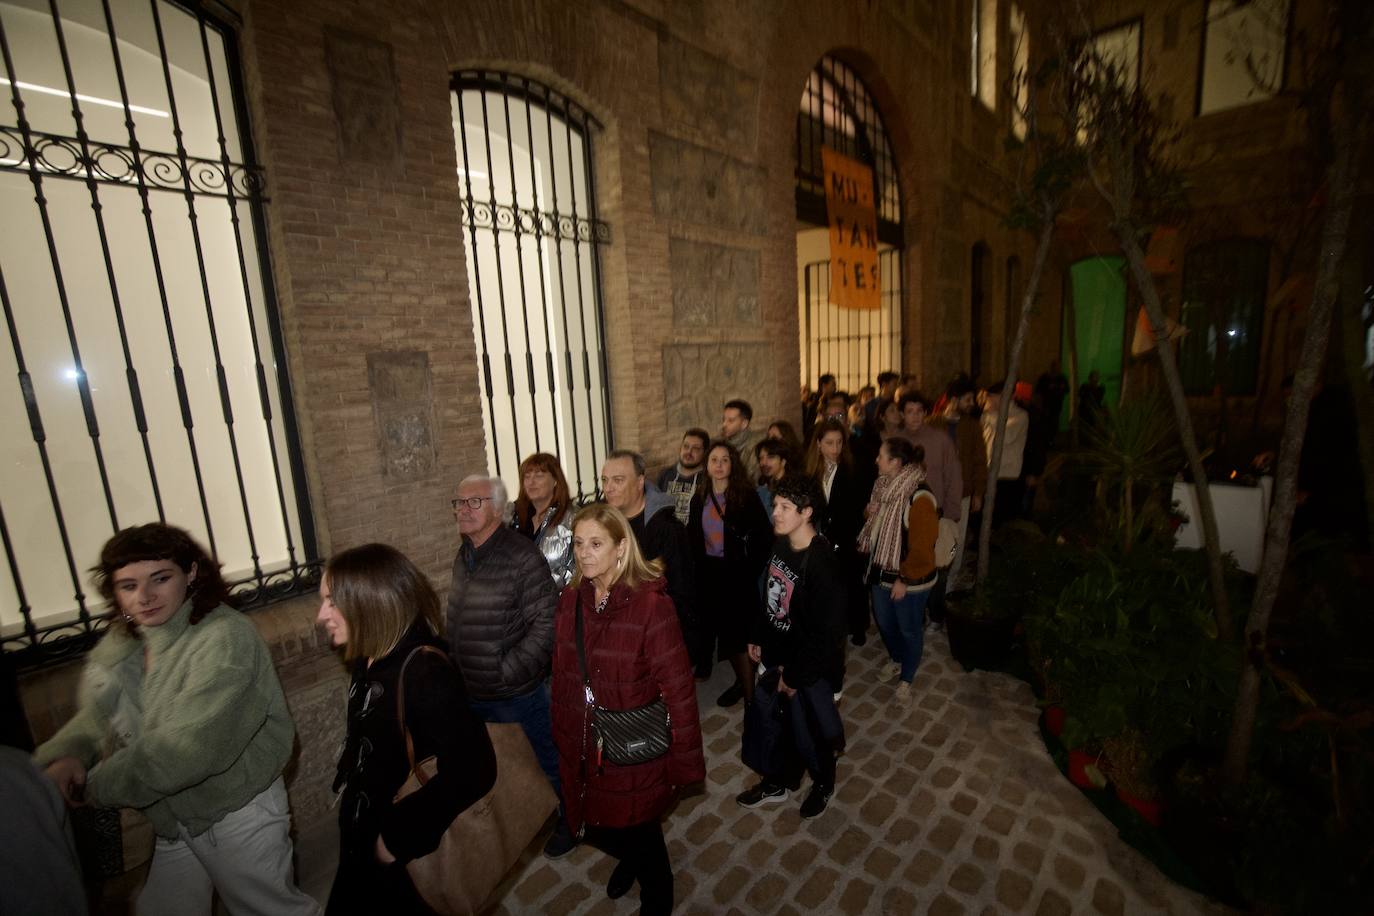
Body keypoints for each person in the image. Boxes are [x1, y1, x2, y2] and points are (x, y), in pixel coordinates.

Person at [33, 523, 318, 916]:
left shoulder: (224, 639)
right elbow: (99, 714)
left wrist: (92, 788)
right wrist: (71, 756)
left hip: (234, 811)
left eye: (160, 579)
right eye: (128, 586)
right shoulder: (129, 639)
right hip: (175, 814)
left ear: (192, 573)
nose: (144, 597)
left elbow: (184, 752)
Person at [319, 543, 496, 914]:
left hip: (400, 855)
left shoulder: (424, 672)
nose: (322, 615)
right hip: (361, 839)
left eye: (333, 602)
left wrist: (394, 839)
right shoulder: (368, 655)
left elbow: (475, 770)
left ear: (370, 602)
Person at [550, 504, 704, 916]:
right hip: (585, 739)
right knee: (596, 822)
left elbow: (678, 688)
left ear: (621, 547)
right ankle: (632, 859)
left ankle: (657, 888)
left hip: (633, 745)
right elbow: (563, 671)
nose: (584, 553)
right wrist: (562, 731)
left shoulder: (651, 606)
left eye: (596, 543)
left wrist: (684, 762)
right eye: (578, 543)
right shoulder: (570, 599)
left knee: (638, 824)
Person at [445, 474, 568, 857]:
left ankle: (572, 818)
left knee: (546, 760)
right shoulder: (464, 555)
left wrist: (509, 671)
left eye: (474, 502)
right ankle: (528, 817)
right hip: (473, 690)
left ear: (497, 509)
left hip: (515, 693)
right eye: (458, 503)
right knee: (505, 768)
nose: (463, 510)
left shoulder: (521, 556)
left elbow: (547, 624)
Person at [736, 474, 847, 818]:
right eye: (775, 505)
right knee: (775, 727)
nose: (776, 513)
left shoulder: (823, 564)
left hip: (805, 671)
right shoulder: (782, 544)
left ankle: (824, 784)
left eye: (785, 507)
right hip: (776, 656)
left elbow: (826, 637)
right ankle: (778, 781)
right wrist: (757, 635)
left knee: (811, 734)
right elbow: (769, 595)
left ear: (807, 512)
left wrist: (795, 676)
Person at [688, 440, 773, 708]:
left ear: (732, 464)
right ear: (707, 465)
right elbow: (693, 539)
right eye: (714, 460)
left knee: (740, 636)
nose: (720, 465)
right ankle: (742, 683)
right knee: (727, 635)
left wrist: (750, 569)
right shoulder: (699, 498)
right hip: (711, 576)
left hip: (739, 575)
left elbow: (764, 537)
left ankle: (751, 700)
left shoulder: (745, 496)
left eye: (725, 460)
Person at [602, 450, 701, 675]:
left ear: (639, 482)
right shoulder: (604, 524)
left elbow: (680, 594)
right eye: (605, 480)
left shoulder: (667, 530)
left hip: (656, 639)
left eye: (618, 480)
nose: (608, 488)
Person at [858, 438, 939, 702]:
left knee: (909, 628)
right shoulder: (882, 486)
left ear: (896, 463)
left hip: (909, 578)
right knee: (884, 621)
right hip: (881, 571)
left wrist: (904, 579)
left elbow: (923, 547)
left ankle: (907, 675)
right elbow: (876, 525)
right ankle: (896, 658)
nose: (876, 460)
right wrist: (868, 513)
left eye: (881, 456)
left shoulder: (919, 497)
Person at [895, 391, 963, 623]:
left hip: (936, 513)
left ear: (926, 413)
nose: (914, 416)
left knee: (938, 565)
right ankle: (915, 614)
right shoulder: (895, 442)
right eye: (909, 412)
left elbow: (953, 475)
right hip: (904, 519)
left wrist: (953, 513)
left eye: (919, 411)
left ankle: (935, 614)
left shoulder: (941, 439)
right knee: (910, 564)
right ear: (902, 414)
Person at [805, 418, 869, 646]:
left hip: (847, 536)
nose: (835, 449)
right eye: (830, 443)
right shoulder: (811, 471)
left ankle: (858, 626)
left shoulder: (852, 469)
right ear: (819, 444)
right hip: (821, 539)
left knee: (852, 584)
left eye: (839, 443)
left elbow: (858, 506)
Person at [933, 377, 987, 593]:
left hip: (961, 494)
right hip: (935, 495)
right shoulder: (932, 423)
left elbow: (980, 461)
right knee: (935, 539)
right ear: (953, 400)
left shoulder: (973, 426)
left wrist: (978, 493)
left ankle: (950, 584)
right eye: (967, 399)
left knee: (959, 539)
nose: (971, 403)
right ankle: (933, 583)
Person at [511, 452, 576, 588]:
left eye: (539, 476)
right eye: (526, 476)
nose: (531, 482)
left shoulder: (573, 518)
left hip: (558, 601)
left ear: (555, 481)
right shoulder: (512, 517)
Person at [980, 381, 1029, 527]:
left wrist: (991, 413)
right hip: (988, 471)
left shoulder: (1020, 416)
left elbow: (1005, 436)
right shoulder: (988, 414)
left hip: (1006, 474)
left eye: (993, 397)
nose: (990, 400)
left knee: (1000, 517)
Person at [655, 428, 710, 526]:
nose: (689, 452)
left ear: (705, 453)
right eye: (686, 446)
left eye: (696, 448)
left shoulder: (708, 479)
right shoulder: (666, 475)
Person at [755, 436, 801, 515]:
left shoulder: (795, 489)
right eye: (761, 458)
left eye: (770, 457)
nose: (764, 462)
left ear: (783, 461)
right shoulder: (761, 491)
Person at [722, 398, 765, 480]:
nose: (724, 424)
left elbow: (752, 479)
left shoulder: (756, 447)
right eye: (724, 419)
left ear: (744, 424)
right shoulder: (721, 443)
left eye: (730, 420)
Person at [1035, 359, 1070, 436]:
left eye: (1059, 367)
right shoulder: (1045, 377)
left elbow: (1067, 389)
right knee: (1046, 422)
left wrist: (1061, 388)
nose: (1058, 368)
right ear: (1052, 367)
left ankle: (1052, 440)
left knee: (1055, 422)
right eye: (1056, 366)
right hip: (1046, 405)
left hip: (1057, 405)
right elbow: (1038, 390)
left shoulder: (1062, 378)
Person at [1078, 369, 1106, 433]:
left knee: (1092, 427)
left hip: (1094, 411)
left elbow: (1100, 398)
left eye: (1097, 377)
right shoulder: (1084, 387)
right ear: (1090, 378)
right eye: (1095, 377)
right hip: (1084, 410)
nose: (1096, 379)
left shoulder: (1100, 388)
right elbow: (1081, 396)